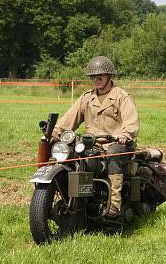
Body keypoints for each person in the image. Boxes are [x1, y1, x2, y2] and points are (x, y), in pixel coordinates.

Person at [52, 56, 139, 217]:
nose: (96, 80)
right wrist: (54, 134)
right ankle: (72, 198)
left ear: (109, 76)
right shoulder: (87, 98)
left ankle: (114, 204)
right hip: (92, 145)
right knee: (68, 155)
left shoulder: (121, 96)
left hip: (117, 144)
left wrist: (124, 134)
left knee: (114, 154)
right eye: (93, 77)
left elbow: (131, 122)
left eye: (100, 77)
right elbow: (69, 119)